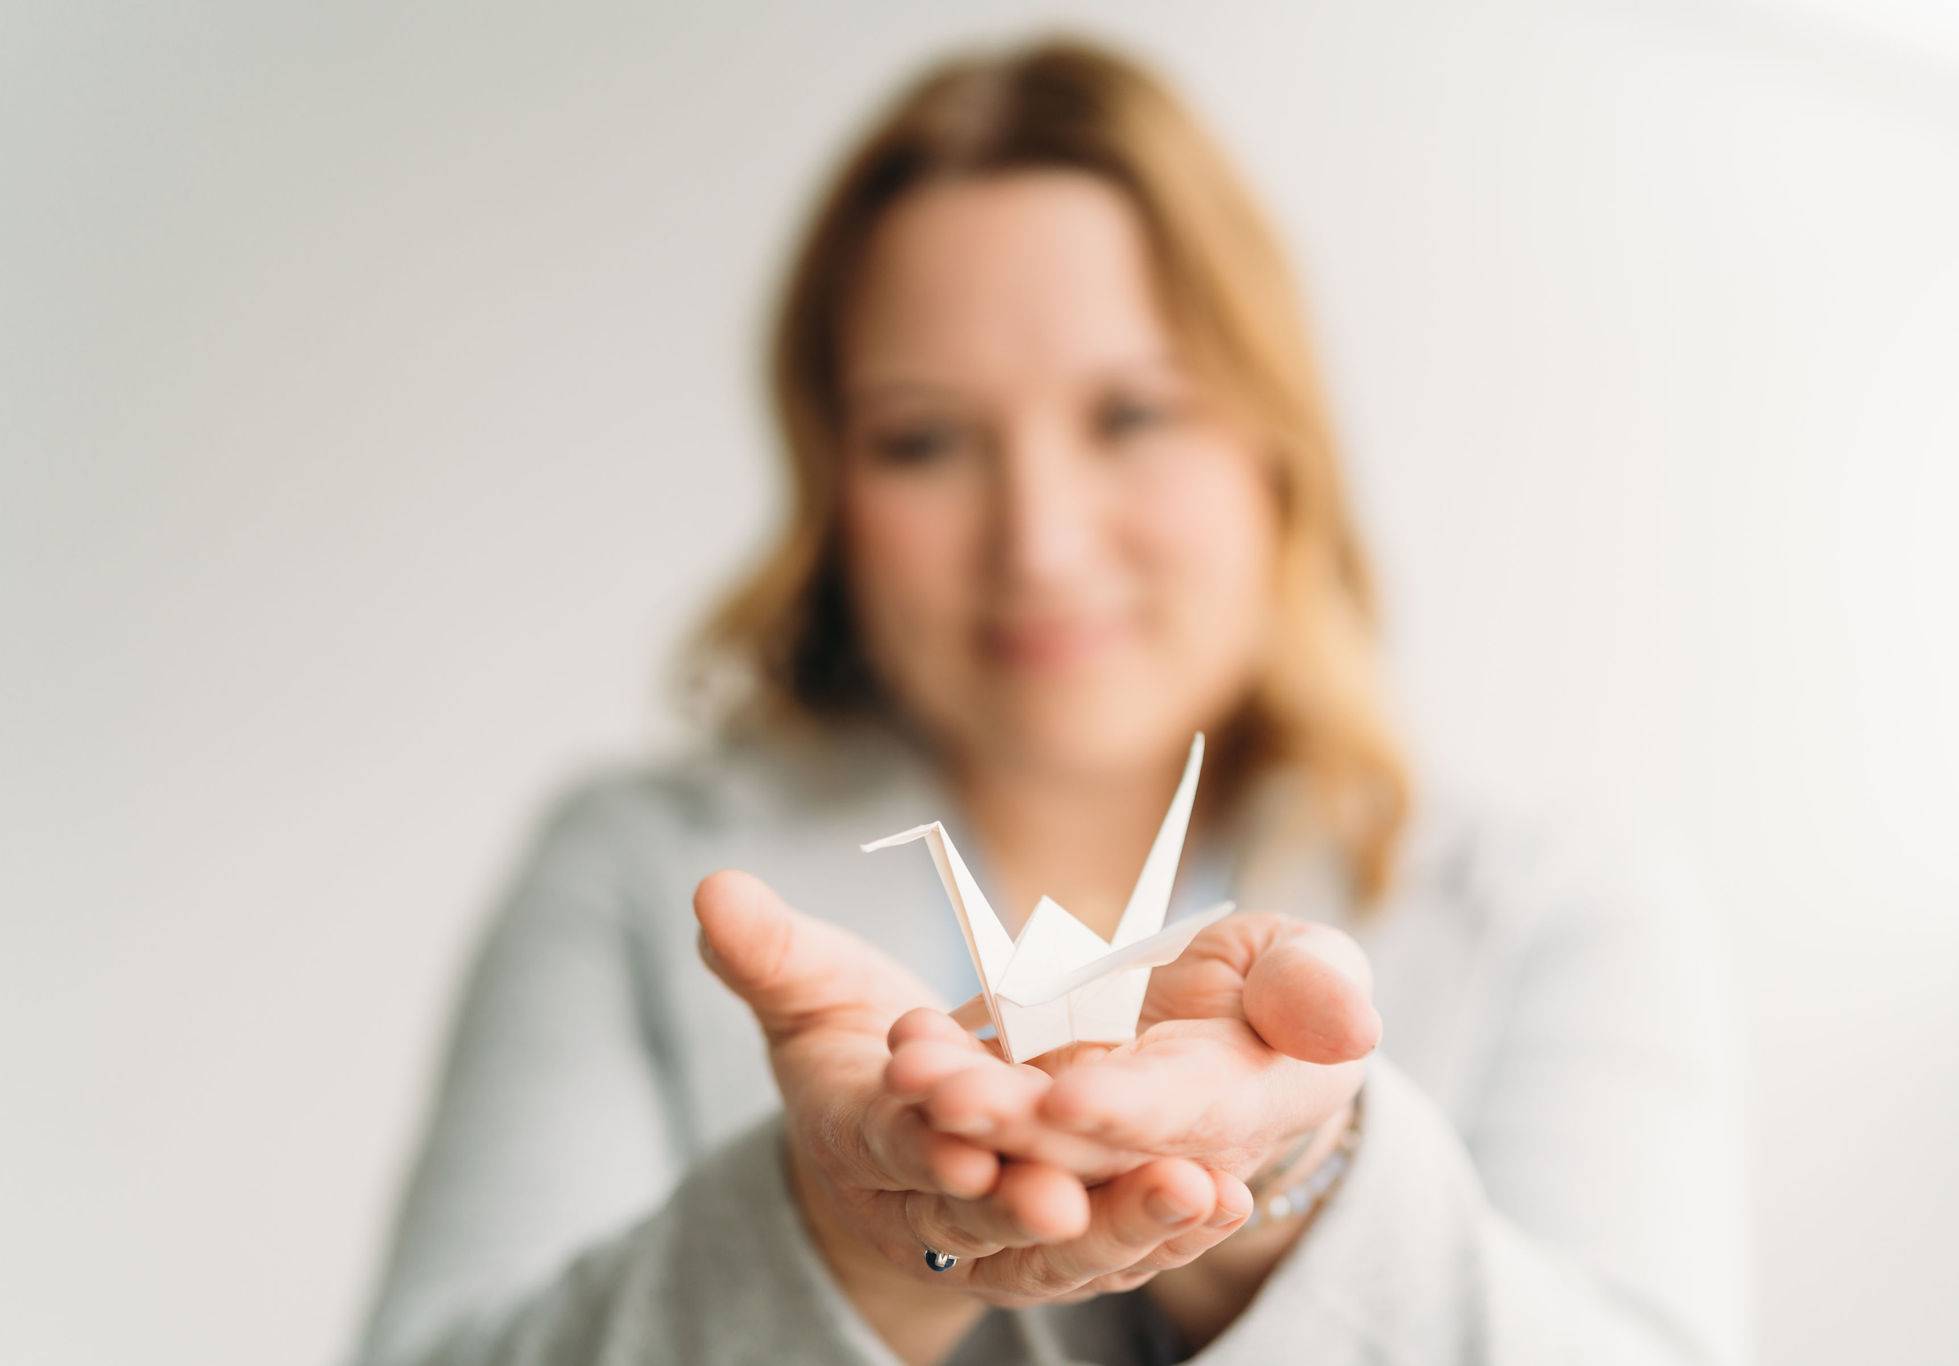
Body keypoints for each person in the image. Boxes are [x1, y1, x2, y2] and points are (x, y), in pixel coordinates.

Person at [351, 33, 1745, 1366]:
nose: (1042, 541)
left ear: (1276, 444)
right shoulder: (635, 870)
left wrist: (1290, 1193)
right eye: (926, 439)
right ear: (832, 489)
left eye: (1132, 414)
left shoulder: (1543, 904)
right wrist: (842, 1237)